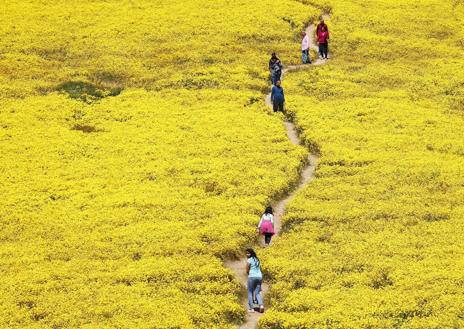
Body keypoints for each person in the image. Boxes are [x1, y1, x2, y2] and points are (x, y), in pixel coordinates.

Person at [246, 248, 264, 313]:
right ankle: (261, 305)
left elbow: (247, 269)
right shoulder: (257, 260)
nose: (247, 254)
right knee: (257, 292)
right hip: (259, 276)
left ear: (251, 254)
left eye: (248, 253)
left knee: (250, 292)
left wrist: (249, 274)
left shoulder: (249, 260)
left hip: (252, 276)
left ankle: (251, 308)